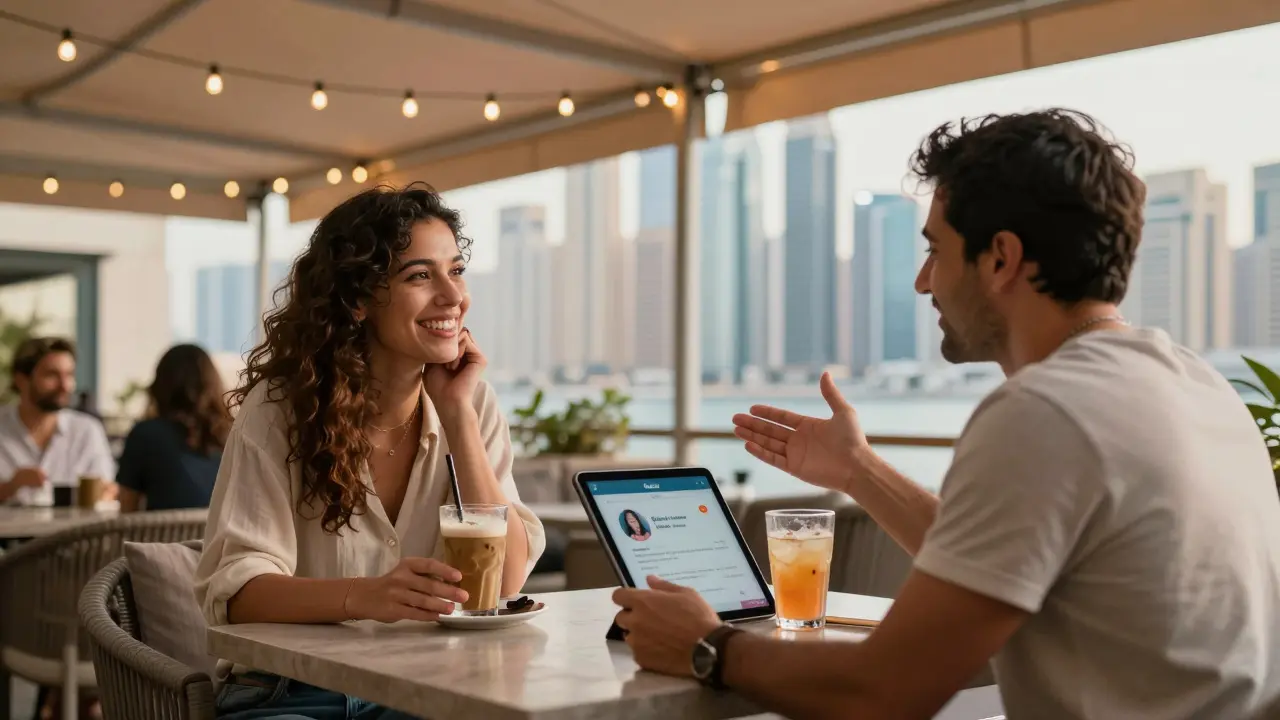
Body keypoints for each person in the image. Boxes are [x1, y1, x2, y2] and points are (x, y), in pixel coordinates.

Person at [612, 110, 1280, 719]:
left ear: (1000, 258)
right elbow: (1008, 559)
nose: (922, 281)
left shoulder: (1046, 412)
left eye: (935, 249)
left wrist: (709, 645)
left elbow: (883, 691)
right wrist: (858, 469)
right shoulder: (1196, 386)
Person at [195, 184, 545, 720]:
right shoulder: (281, 408)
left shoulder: (471, 403)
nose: (453, 297)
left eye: (455, 270)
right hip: (293, 689)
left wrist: (457, 416)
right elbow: (238, 593)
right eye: (420, 276)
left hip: (426, 686)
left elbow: (506, 579)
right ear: (358, 299)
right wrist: (366, 595)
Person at [0, 336, 116, 506]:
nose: (65, 386)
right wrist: (11, 486)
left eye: (69, 375)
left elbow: (107, 490)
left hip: (74, 531)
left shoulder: (87, 430)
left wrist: (106, 494)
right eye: (52, 375)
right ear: (21, 380)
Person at [117, 344, 229, 512]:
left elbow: (126, 511)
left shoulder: (144, 435)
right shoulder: (230, 436)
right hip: (219, 538)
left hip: (160, 538)